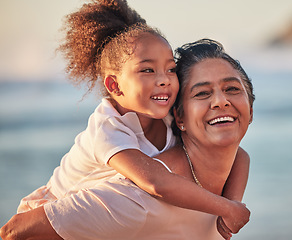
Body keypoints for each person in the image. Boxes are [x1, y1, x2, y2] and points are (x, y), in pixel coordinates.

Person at [9, 0, 249, 236]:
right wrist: (226, 208)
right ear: (115, 85)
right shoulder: (107, 129)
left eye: (170, 69)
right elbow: (156, 182)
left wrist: (232, 206)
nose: (164, 79)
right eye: (147, 70)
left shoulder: (163, 115)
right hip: (52, 209)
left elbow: (239, 155)